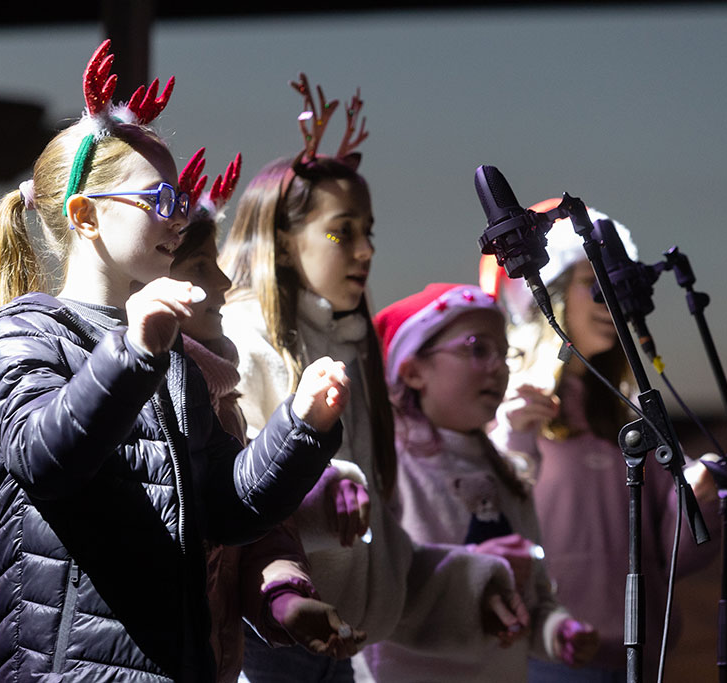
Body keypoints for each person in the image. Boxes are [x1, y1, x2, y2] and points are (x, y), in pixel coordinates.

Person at [0, 41, 352, 683]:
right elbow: (46, 459)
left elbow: (224, 507)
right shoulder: (22, 335)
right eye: (160, 200)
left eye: (181, 201)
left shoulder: (173, 359)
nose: (179, 220)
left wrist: (301, 428)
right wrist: (134, 351)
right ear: (85, 216)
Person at [219, 74, 528, 683]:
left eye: (369, 233)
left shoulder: (352, 350)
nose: (365, 251)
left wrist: (472, 591)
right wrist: (320, 488)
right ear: (282, 241)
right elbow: (232, 501)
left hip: (336, 654)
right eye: (342, 231)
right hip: (261, 651)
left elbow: (378, 557)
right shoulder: (237, 342)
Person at [481, 200, 720, 682]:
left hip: (641, 656)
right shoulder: (508, 407)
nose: (607, 301)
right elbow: (485, 528)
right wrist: (512, 437)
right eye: (592, 283)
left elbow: (676, 556)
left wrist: (700, 499)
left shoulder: (635, 417)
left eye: (613, 285)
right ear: (551, 295)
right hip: (545, 656)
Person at [168, 149, 364, 682]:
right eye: (339, 232)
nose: (223, 282)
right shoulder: (232, 355)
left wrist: (284, 593)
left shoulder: (221, 390)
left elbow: (249, 526)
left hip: (274, 637)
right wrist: (324, 479)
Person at [366, 282, 600, 681]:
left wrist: (556, 630)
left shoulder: (503, 472)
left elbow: (533, 594)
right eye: (477, 348)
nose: (499, 366)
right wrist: (475, 572)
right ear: (413, 370)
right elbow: (379, 595)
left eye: (504, 352)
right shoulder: (389, 465)